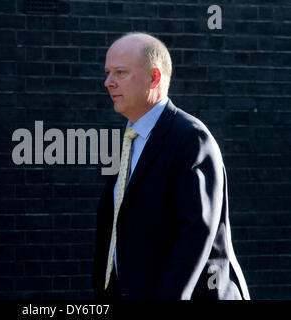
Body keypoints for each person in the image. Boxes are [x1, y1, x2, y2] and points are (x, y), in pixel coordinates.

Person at [93, 32, 250, 300]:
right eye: (108, 72)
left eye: (120, 72)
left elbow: (195, 234)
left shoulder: (191, 138)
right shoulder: (132, 138)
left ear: (154, 78)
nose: (108, 82)